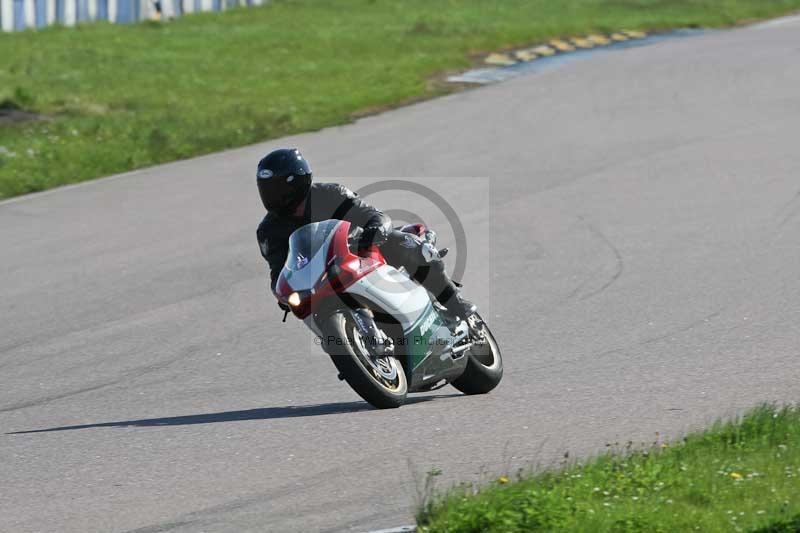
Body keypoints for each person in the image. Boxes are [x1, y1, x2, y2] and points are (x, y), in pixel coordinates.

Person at [255, 148, 476, 321]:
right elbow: (279, 270)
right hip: (322, 278)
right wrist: (283, 294)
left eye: (277, 189)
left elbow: (372, 215)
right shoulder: (269, 231)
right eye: (266, 189)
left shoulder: (330, 194)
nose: (271, 196)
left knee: (406, 244)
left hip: (361, 251)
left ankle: (456, 304)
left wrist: (376, 230)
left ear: (297, 182)